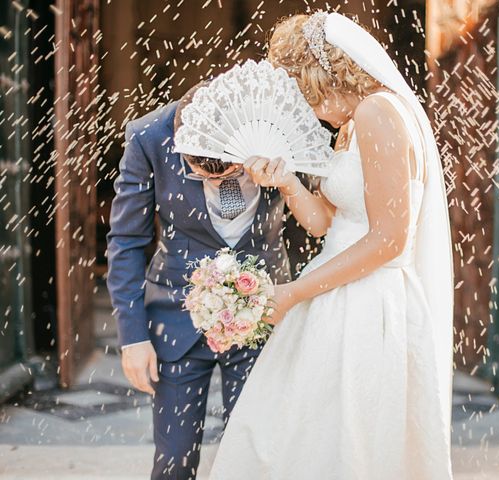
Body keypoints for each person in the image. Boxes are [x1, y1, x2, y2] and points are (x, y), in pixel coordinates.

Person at [209, 11, 454, 480]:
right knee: (299, 437)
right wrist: (285, 182)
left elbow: (388, 240)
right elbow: (326, 223)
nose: (308, 109)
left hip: (367, 306)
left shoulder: (378, 113)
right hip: (337, 295)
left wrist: (293, 293)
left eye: (306, 94)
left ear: (323, 76)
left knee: (346, 443)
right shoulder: (353, 126)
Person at [106, 81, 304, 479]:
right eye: (200, 175)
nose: (216, 184)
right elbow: (127, 241)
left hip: (264, 315)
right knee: (174, 460)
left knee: (254, 456)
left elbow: (322, 213)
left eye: (228, 174)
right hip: (178, 318)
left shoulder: (282, 131)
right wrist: (133, 337)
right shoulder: (148, 138)